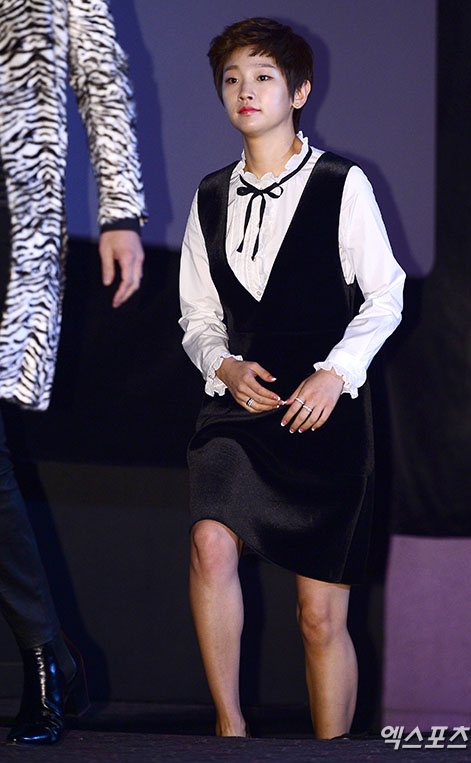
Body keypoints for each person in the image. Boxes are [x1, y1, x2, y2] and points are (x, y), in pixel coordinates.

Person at [179, 17, 404, 739]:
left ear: (299, 91)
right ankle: (230, 731)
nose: (245, 91)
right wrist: (221, 363)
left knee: (319, 618)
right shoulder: (210, 194)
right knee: (210, 543)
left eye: (263, 77)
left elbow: (386, 294)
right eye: (232, 79)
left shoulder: (342, 183)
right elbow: (196, 313)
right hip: (237, 411)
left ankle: (330, 750)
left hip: (324, 415)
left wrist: (337, 374)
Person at [0, 0, 146, 746]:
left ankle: (43, 655)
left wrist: (120, 212)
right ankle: (50, 653)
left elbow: (101, 77)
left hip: (8, 204)